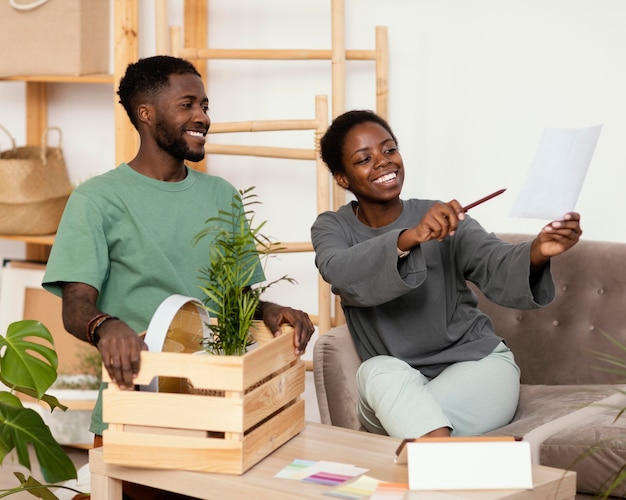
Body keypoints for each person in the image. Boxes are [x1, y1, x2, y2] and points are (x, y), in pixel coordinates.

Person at [42, 55, 314, 465]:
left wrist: (271, 309)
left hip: (217, 405)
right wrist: (105, 325)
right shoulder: (96, 199)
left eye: (205, 106)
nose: (202, 116)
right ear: (145, 113)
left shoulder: (223, 196)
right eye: (187, 104)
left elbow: (234, 299)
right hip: (135, 408)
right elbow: (76, 304)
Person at [310, 109, 582, 439]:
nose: (383, 162)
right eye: (364, 158)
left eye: (389, 149)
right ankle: (441, 457)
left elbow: (494, 260)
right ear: (342, 178)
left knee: (409, 420)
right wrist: (411, 237)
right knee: (377, 370)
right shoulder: (332, 227)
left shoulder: (440, 215)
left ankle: (428, 454)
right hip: (396, 386)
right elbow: (340, 272)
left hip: (477, 369)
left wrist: (539, 249)